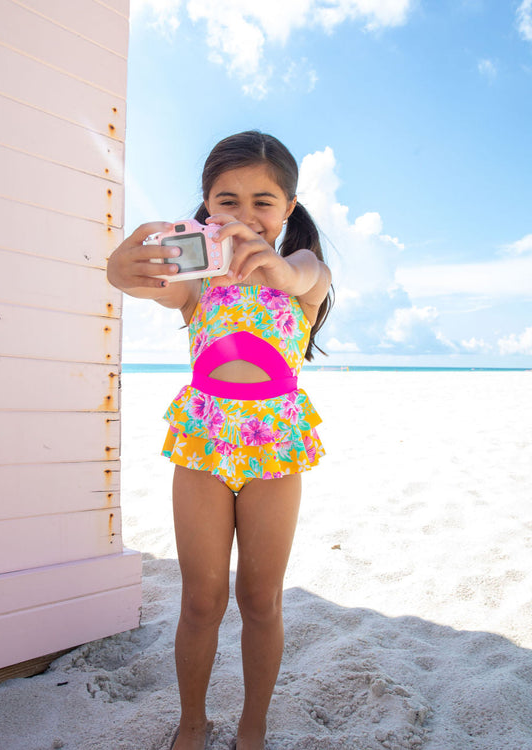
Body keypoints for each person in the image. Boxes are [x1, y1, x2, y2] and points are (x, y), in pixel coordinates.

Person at [107, 131, 333, 750]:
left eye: (264, 200)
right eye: (226, 200)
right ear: (206, 210)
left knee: (260, 599)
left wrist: (281, 267)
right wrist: (120, 269)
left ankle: (252, 727)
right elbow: (152, 284)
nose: (244, 214)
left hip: (274, 452)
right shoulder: (198, 283)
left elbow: (307, 274)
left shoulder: (302, 273)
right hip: (204, 447)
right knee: (200, 601)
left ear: (288, 209)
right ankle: (192, 722)